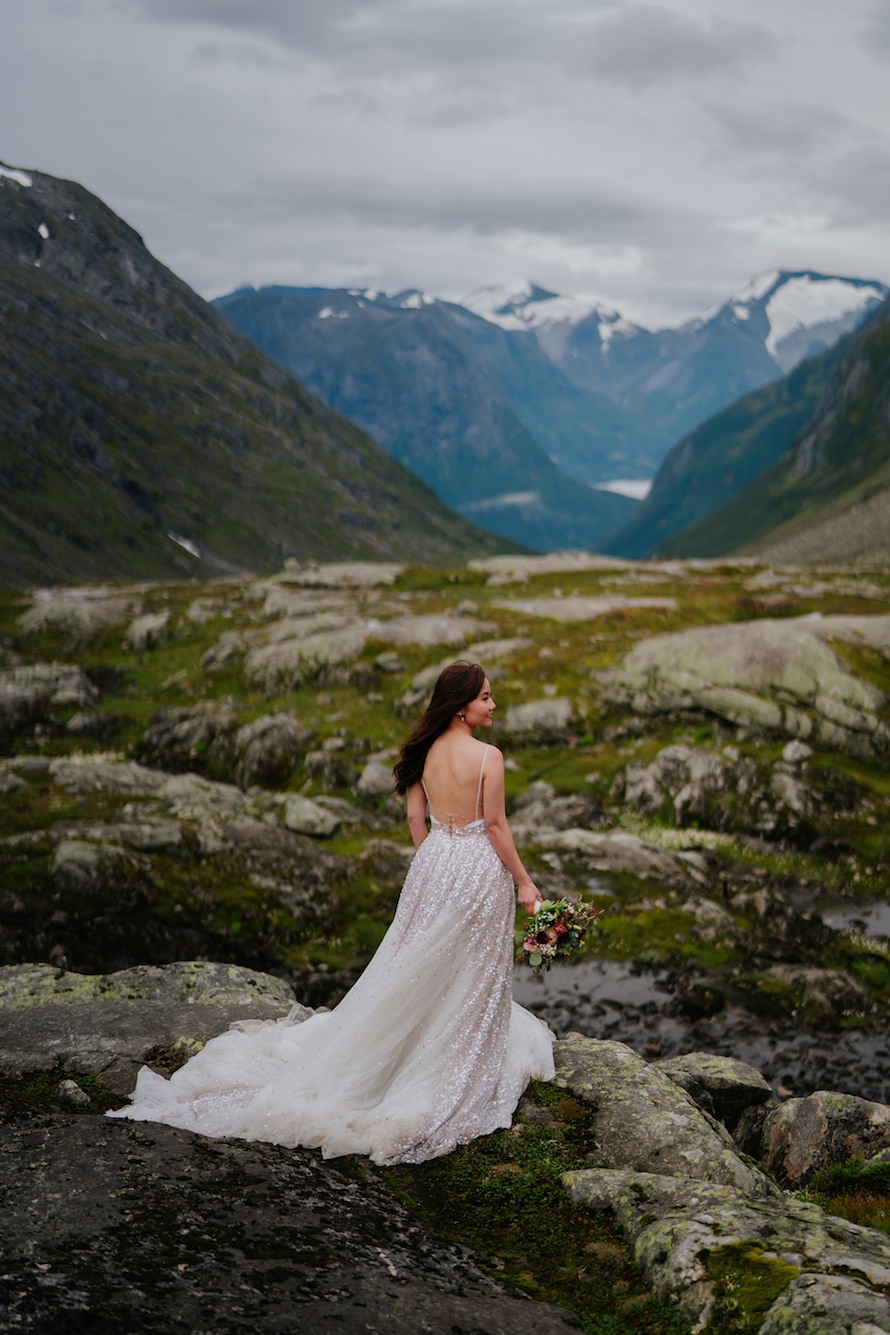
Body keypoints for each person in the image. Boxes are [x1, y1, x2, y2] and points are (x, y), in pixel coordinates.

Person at [107, 661, 555, 1165]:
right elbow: (494, 826)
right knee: (467, 966)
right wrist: (524, 881)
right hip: (476, 868)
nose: (494, 706)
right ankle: (447, 1063)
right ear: (460, 706)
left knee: (414, 961)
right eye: (487, 698)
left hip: (435, 861)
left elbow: (414, 817)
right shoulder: (489, 756)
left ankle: (406, 1050)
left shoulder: (421, 753)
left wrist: (435, 857)